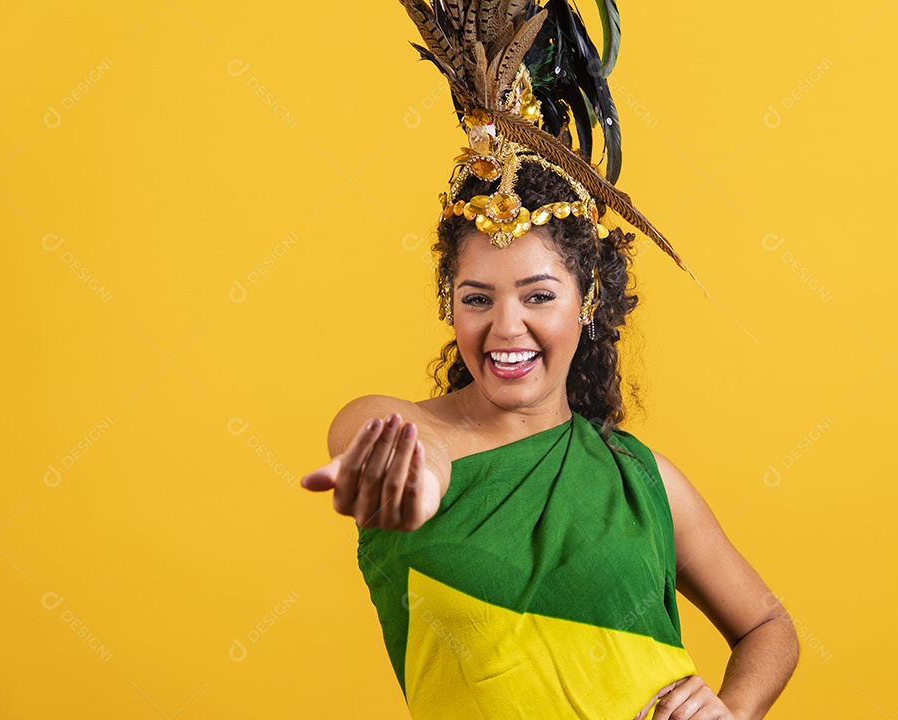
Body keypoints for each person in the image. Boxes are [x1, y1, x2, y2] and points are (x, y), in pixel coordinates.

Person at [301, 2, 799, 718]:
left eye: (538, 296)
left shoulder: (641, 479)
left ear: (586, 300)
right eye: (477, 298)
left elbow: (768, 628)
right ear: (451, 304)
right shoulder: (395, 427)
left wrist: (732, 709)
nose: (507, 327)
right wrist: (412, 489)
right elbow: (394, 452)